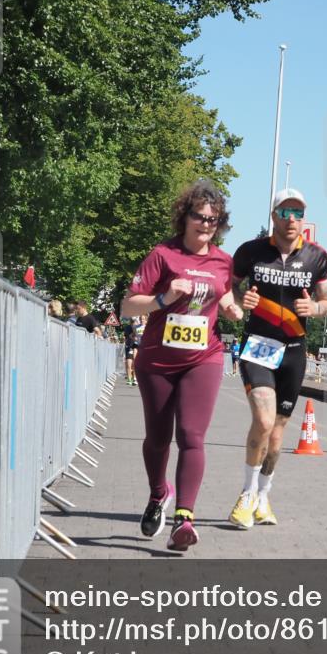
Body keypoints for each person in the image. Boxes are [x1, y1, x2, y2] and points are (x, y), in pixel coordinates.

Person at [120, 180, 244, 552]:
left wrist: (236, 310)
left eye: (213, 219)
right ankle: (159, 493)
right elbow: (128, 306)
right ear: (185, 217)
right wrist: (164, 297)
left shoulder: (223, 261)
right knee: (158, 439)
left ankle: (184, 519)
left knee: (191, 436)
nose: (205, 224)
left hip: (203, 358)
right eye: (199, 217)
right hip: (157, 360)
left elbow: (225, 298)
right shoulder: (163, 255)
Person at [228, 188, 327, 529]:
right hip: (258, 346)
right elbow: (228, 286)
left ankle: (263, 495)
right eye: (285, 212)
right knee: (262, 420)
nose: (291, 219)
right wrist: (239, 302)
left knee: (276, 433)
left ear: (304, 219)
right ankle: (246, 494)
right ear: (273, 216)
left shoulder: (318, 257)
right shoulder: (251, 251)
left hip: (294, 351)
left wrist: (314, 308)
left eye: (297, 213)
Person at [122, 318, 139, 386]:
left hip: (136, 347)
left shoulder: (139, 327)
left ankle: (134, 378)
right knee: (129, 364)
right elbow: (129, 336)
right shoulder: (127, 328)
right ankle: (129, 379)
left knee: (134, 363)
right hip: (129, 347)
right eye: (133, 323)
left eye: (136, 323)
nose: (135, 324)